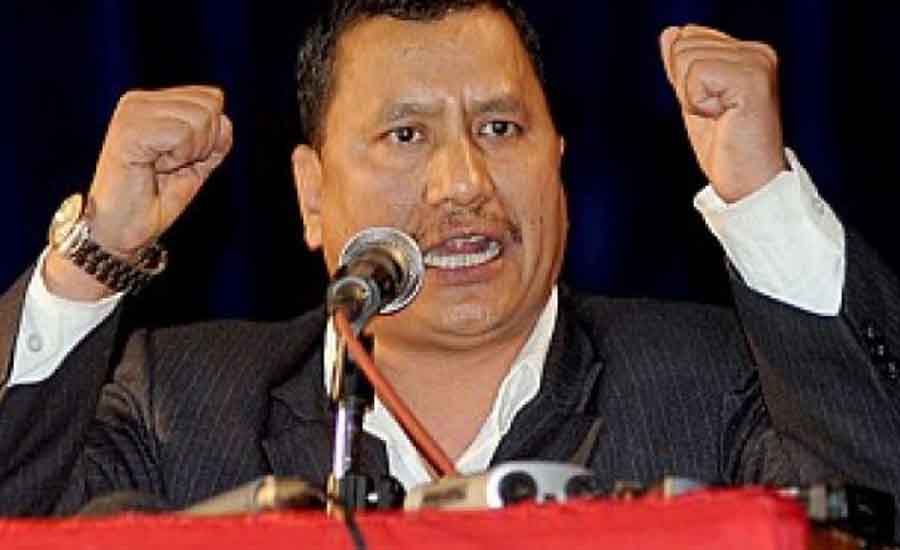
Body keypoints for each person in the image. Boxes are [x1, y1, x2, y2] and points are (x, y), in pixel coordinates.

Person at [1, 0, 899, 531]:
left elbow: (877, 499)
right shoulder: (178, 404)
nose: (464, 182)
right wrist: (94, 255)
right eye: (405, 135)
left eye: (500, 128)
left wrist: (763, 198)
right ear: (311, 195)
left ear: (558, 163)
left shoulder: (712, 384)